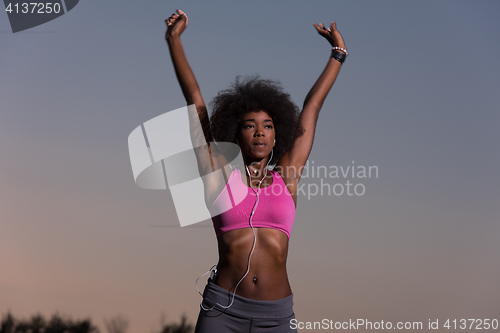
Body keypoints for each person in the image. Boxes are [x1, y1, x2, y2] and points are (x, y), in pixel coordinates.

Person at [165, 9, 346, 333]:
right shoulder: (218, 177)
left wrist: (338, 55)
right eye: (250, 126)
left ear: (279, 135)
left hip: (276, 317)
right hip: (222, 312)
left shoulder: (287, 175)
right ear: (236, 134)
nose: (260, 132)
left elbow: (312, 107)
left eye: (267, 126)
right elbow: (196, 102)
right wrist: (173, 39)